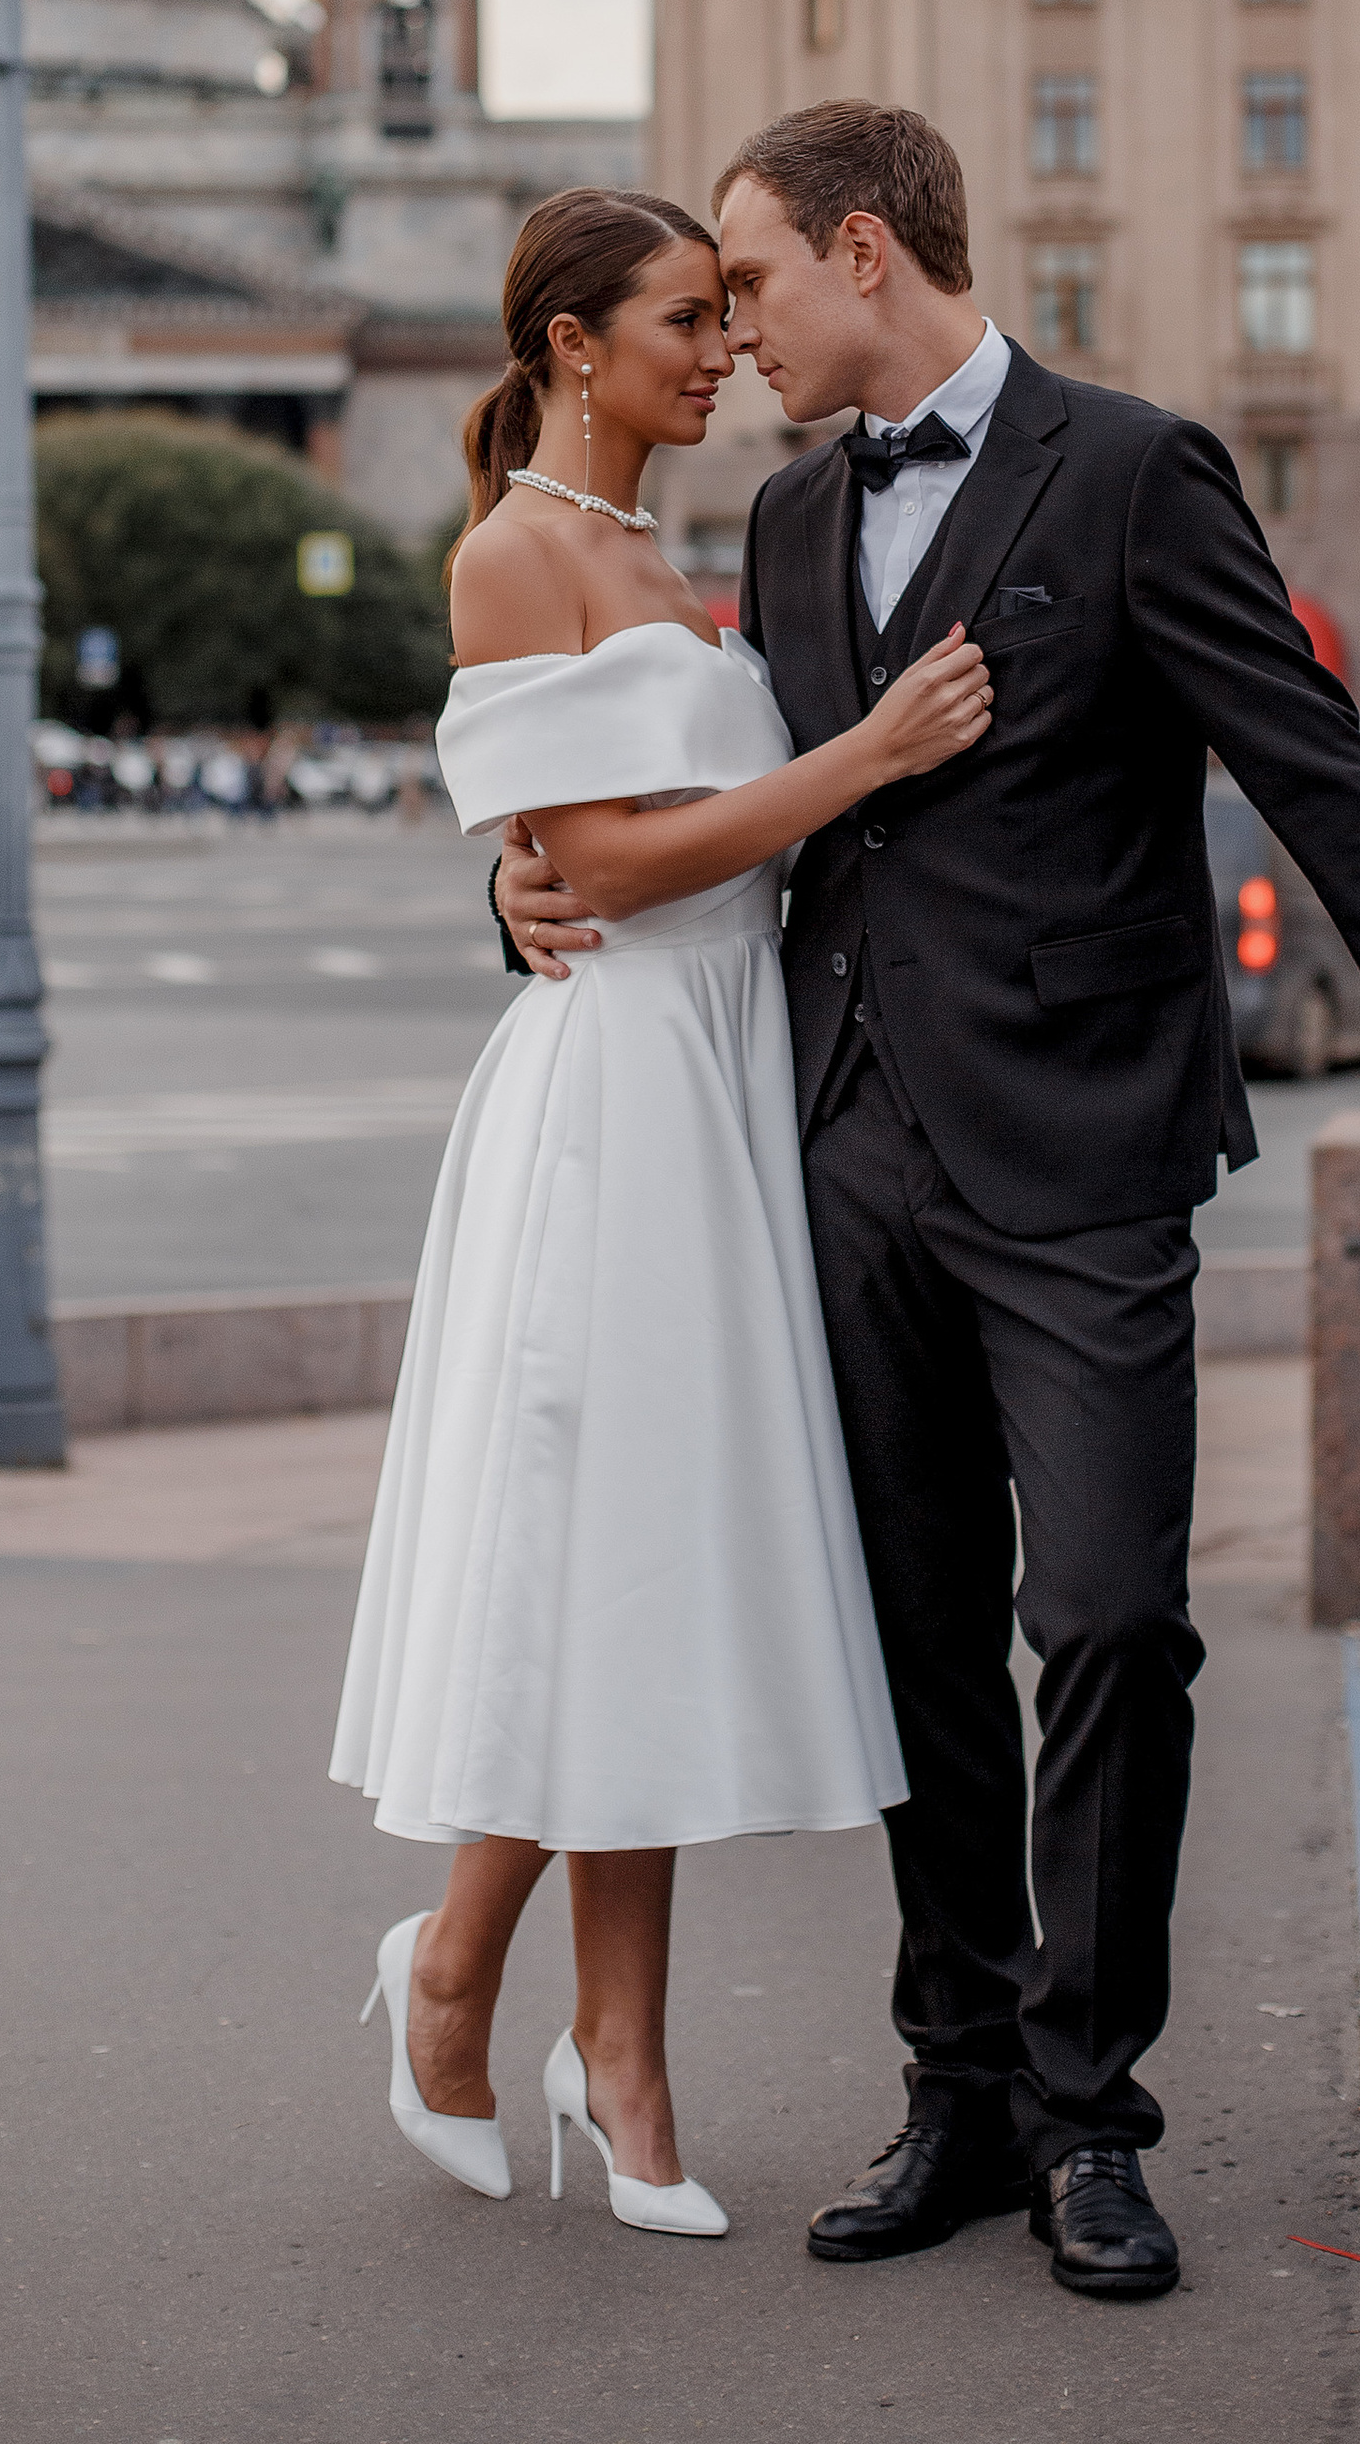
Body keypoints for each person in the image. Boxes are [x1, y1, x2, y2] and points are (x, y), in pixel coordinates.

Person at [497, 101, 1360, 2302]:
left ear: (860, 253)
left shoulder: (1127, 470)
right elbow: (702, 809)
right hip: (844, 1154)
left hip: (1084, 1161)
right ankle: (966, 2092)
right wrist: (518, 883)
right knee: (914, 1650)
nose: (732, 334)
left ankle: (1097, 2117)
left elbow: (1313, 771)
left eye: (750, 288)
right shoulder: (799, 516)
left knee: (1105, 1623)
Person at [330, 183, 997, 2242]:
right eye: (683, 321)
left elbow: (614, 852)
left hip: (720, 1091)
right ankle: (465, 1983)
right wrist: (863, 758)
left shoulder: (654, 548)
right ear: (569, 349)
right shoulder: (516, 552)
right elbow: (601, 864)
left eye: (726, 314)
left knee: (649, 1590)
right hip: (612, 1106)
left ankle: (601, 2048)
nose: (722, 351)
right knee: (580, 1566)